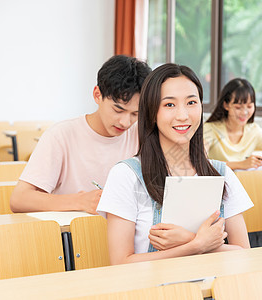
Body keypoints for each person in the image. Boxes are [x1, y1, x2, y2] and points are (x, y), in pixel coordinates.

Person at [96, 63, 253, 264]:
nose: (182, 115)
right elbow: (120, 263)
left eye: (191, 103)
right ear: (152, 113)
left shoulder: (222, 174)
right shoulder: (126, 175)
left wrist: (190, 239)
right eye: (169, 105)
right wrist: (196, 245)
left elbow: (245, 255)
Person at [10, 55, 151, 214]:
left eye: (135, 114)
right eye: (118, 110)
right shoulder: (61, 136)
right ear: (97, 95)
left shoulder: (142, 135)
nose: (125, 122)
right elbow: (19, 199)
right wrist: (79, 201)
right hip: (75, 234)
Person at [204, 78, 262, 170]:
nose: (244, 112)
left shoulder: (254, 131)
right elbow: (200, 162)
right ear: (226, 105)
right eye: (238, 107)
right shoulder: (210, 129)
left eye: (249, 106)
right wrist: (241, 164)